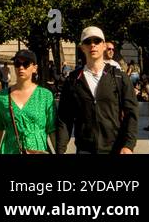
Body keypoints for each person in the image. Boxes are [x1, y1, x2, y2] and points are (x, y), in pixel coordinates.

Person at [56, 27, 138, 156]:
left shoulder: (118, 77)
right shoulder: (73, 80)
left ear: (104, 46)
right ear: (82, 47)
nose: (92, 45)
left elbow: (131, 113)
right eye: (88, 42)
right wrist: (60, 150)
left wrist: (128, 145)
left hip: (115, 148)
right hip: (84, 149)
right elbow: (64, 118)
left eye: (97, 41)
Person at [0, 49, 56, 155]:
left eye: (26, 64)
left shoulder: (45, 96)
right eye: (17, 64)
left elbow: (52, 130)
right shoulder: (2, 97)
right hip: (10, 150)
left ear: (35, 68)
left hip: (38, 150)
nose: (21, 67)